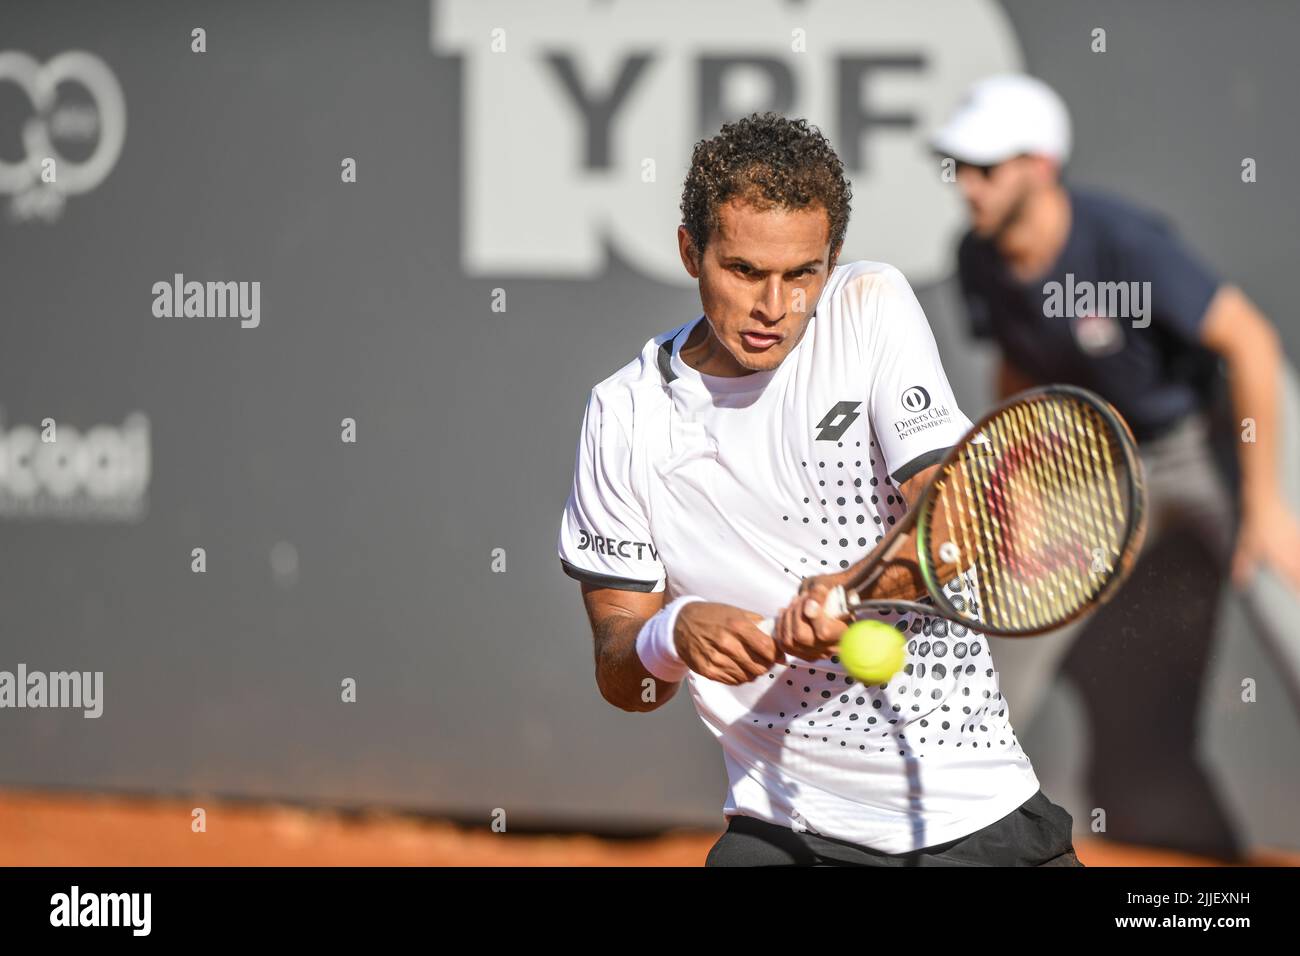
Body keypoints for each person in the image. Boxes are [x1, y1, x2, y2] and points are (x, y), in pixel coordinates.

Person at [556, 112, 1081, 866]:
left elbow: (959, 523)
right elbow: (623, 677)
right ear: (688, 252)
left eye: (801, 273)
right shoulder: (624, 413)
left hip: (972, 814)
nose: (775, 307)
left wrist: (854, 591)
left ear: (830, 263)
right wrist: (671, 634)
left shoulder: (869, 306)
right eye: (743, 271)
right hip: (781, 826)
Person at [932, 73, 1300, 859]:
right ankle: (935, 825)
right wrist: (1024, 492)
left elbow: (1253, 344)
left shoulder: (1124, 240)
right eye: (958, 166)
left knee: (1286, 607)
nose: (966, 186)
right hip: (1110, 461)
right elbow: (1019, 373)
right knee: (1012, 624)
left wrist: (1267, 506)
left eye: (985, 168)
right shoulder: (978, 259)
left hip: (1222, 440)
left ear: (1039, 167)